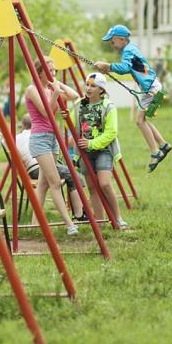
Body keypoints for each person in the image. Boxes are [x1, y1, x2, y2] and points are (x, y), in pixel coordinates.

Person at [94, 24, 170, 171]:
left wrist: (107, 66)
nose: (112, 44)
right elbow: (131, 67)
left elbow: (125, 68)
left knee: (140, 121)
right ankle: (163, 144)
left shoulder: (128, 51)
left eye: (113, 41)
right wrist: (109, 67)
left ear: (122, 39)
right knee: (143, 120)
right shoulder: (131, 48)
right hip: (153, 86)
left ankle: (155, 152)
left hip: (151, 89)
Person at [24, 57, 82, 235]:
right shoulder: (32, 89)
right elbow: (46, 113)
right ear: (39, 71)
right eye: (49, 70)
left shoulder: (50, 87)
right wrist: (56, 93)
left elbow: (74, 96)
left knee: (43, 185)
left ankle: (34, 225)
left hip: (52, 138)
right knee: (56, 182)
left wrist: (58, 85)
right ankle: (69, 225)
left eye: (54, 70)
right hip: (40, 139)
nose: (53, 73)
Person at [71, 73, 128, 230]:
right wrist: (65, 117)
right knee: (92, 188)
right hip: (84, 152)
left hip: (103, 150)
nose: (88, 88)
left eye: (93, 86)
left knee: (104, 184)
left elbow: (111, 133)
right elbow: (71, 123)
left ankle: (118, 218)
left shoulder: (109, 107)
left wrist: (91, 143)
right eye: (87, 85)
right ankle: (101, 223)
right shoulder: (79, 105)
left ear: (101, 90)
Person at [16, 114, 85, 220]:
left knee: (69, 174)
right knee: (74, 176)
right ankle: (79, 214)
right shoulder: (40, 136)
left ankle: (78, 212)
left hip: (29, 172)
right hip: (40, 167)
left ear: (23, 125)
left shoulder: (17, 138)